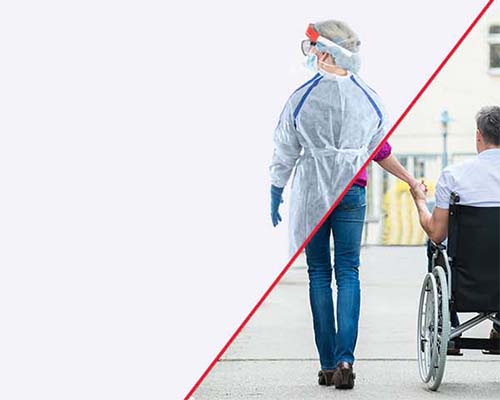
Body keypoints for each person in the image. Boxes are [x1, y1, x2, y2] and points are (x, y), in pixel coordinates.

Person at [269, 20, 423, 389]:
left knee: (319, 274)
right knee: (349, 272)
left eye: (312, 49)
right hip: (351, 194)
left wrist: (275, 190)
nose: (310, 56)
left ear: (325, 51)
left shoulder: (301, 97)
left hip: (312, 198)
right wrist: (411, 180)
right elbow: (379, 150)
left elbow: (285, 151)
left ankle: (326, 365)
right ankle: (345, 360)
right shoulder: (370, 98)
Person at [410, 105, 500, 353]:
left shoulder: (454, 176)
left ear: (479, 136)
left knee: (435, 246)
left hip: (468, 278)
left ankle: (447, 326)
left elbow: (437, 233)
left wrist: (419, 201)